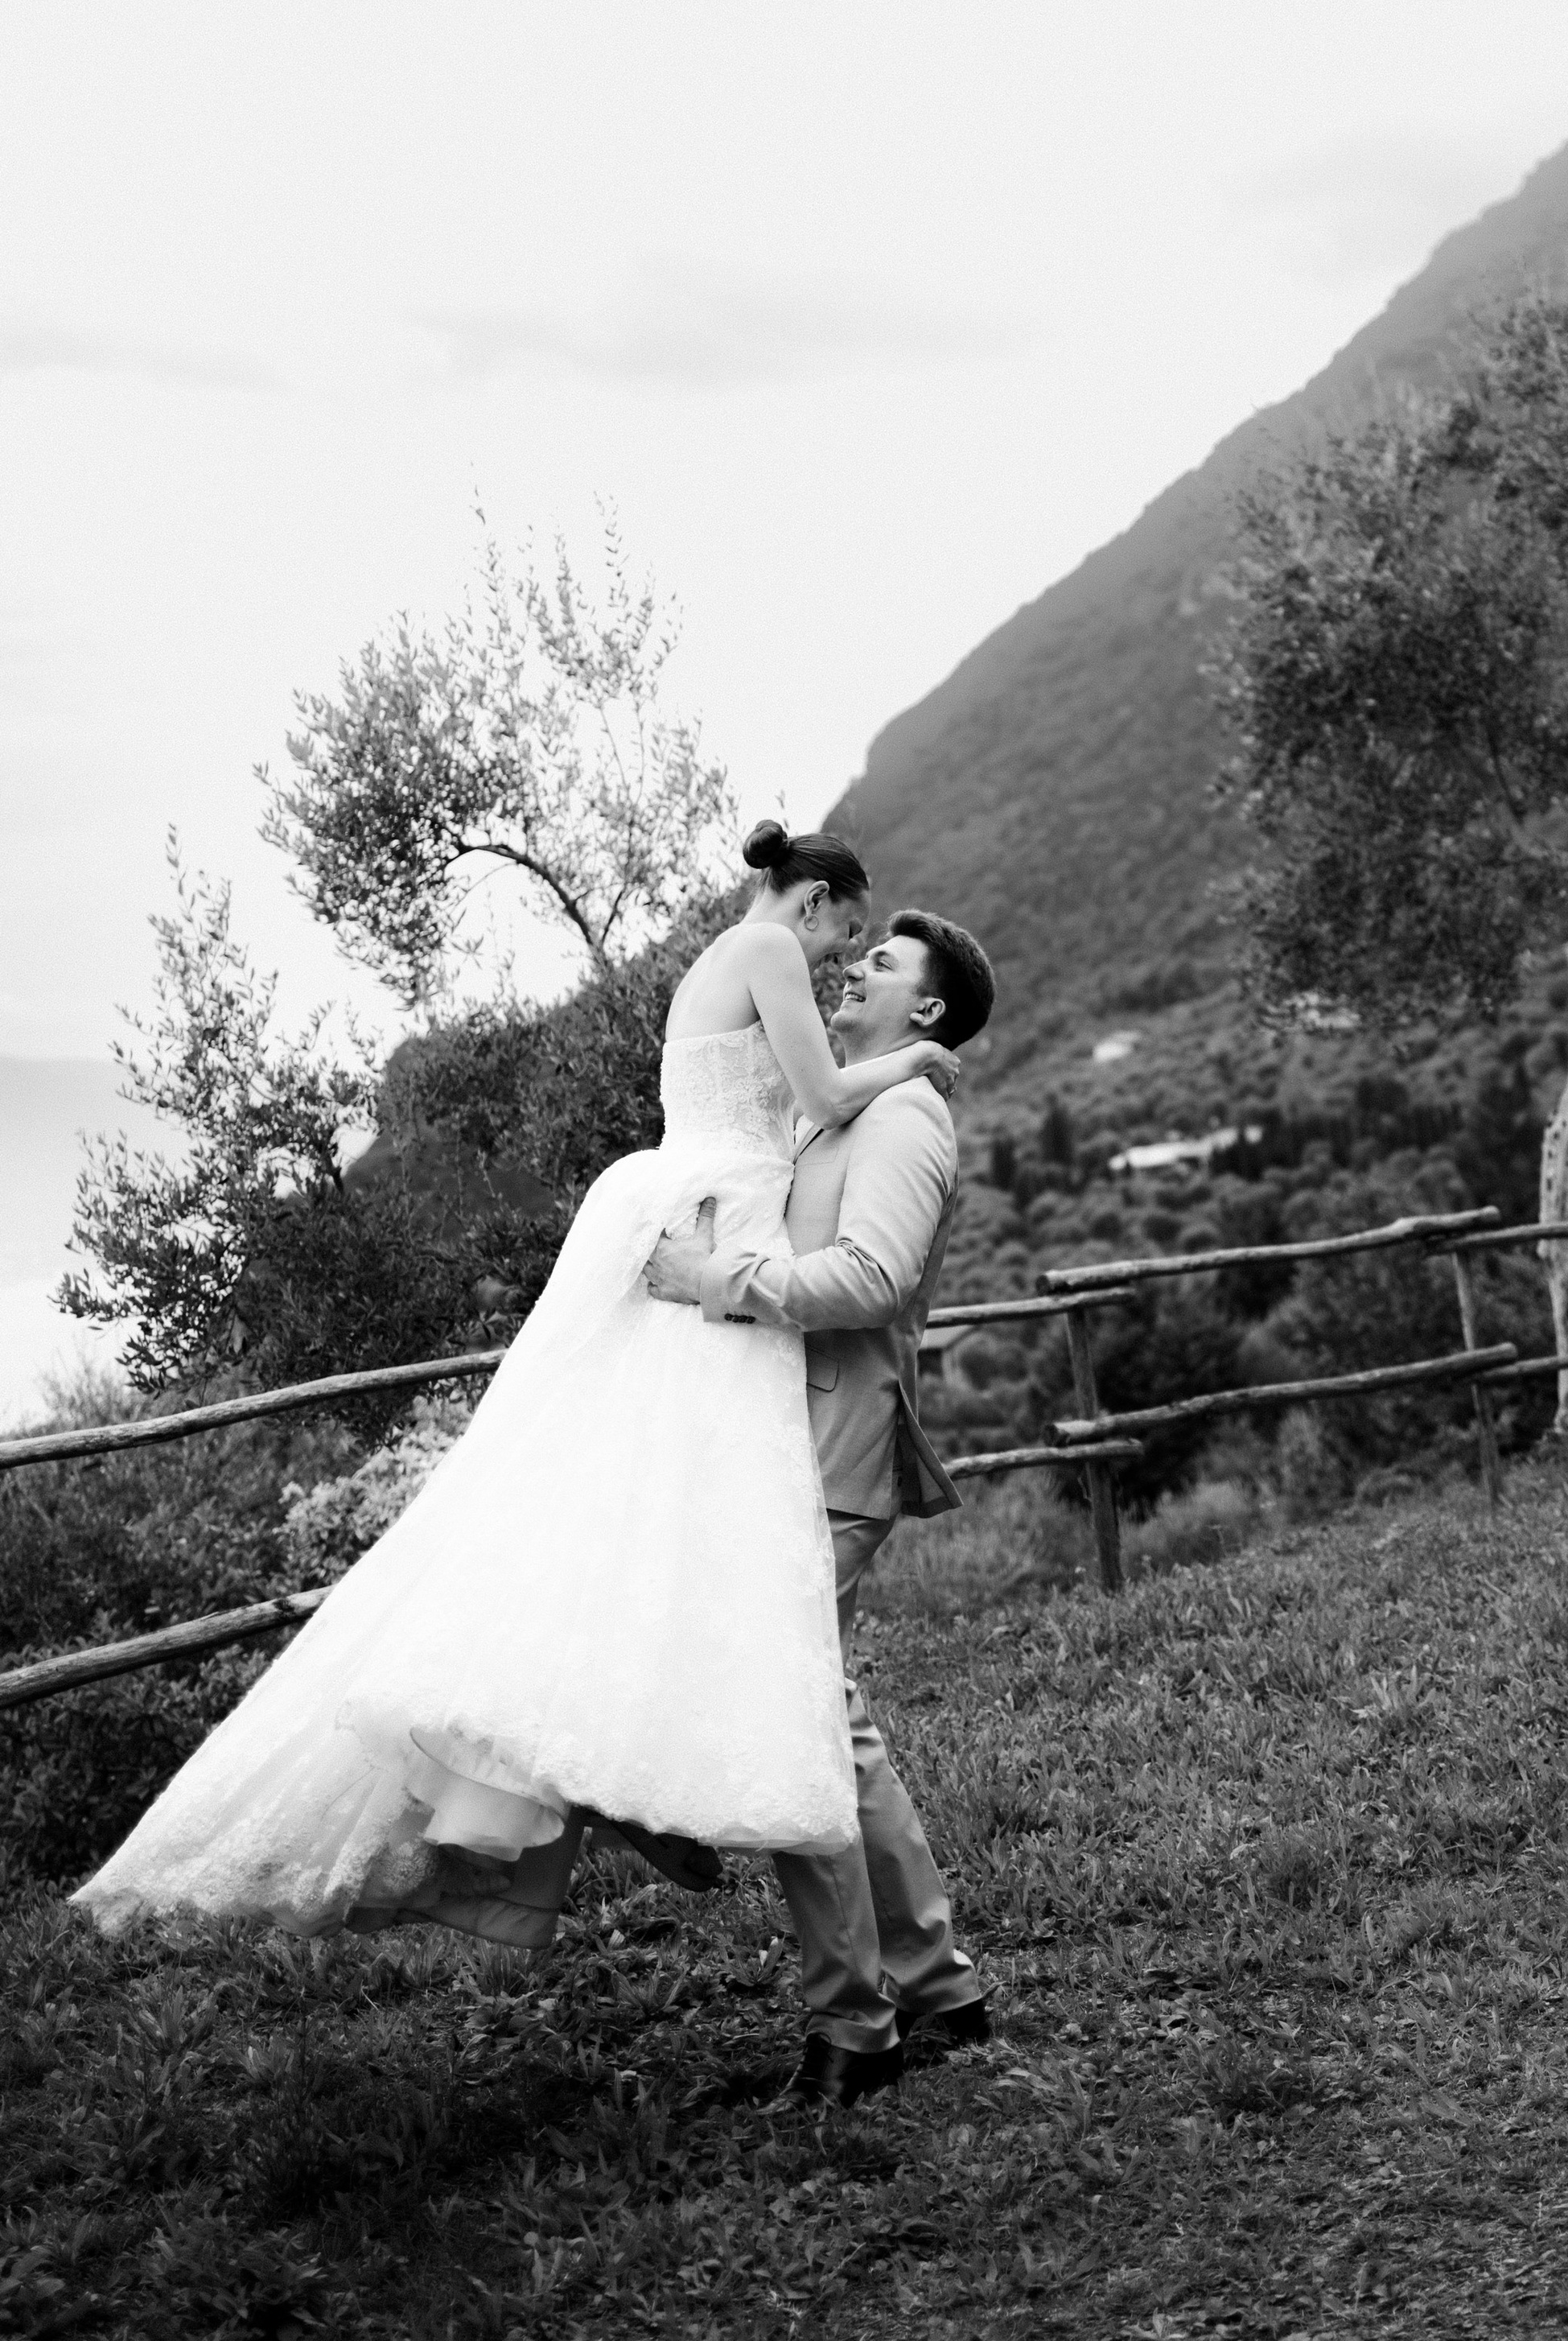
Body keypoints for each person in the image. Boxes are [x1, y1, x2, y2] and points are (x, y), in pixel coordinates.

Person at [72, 823, 957, 1947]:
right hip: (713, 1228)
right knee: (691, 1565)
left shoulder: (720, 961)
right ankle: (631, 1792)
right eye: (847, 929)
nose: (841, 955)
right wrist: (916, 1061)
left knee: (639, 1536)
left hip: (699, 1216)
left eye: (866, 949)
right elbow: (823, 1097)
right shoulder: (771, 950)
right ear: (814, 899)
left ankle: (623, 1787)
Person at [646, 901, 996, 2107]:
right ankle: (936, 1984)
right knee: (830, 1729)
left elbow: (873, 1278)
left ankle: (856, 2023)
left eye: (882, 962)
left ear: (928, 1009)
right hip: (783, 1452)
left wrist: (710, 1280)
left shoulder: (905, 1117)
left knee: (794, 1728)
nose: (853, 968)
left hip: (834, 1458)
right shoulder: (835, 1106)